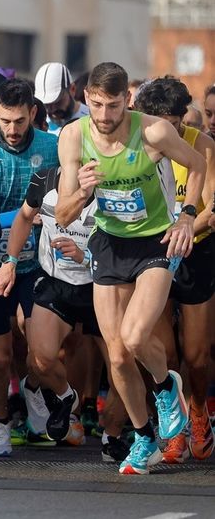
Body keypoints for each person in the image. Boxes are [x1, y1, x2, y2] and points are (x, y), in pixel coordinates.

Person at [54, 62, 206, 475]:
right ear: (86, 98)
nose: (105, 116)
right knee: (118, 356)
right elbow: (64, 214)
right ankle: (144, 439)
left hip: (157, 241)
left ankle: (165, 387)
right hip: (110, 243)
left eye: (114, 106)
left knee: (136, 336)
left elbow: (197, 165)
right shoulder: (73, 137)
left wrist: (187, 216)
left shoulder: (153, 131)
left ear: (128, 101)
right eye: (98, 105)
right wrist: (83, 192)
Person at [0, 78, 59, 456]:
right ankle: (1, 424)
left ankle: (34, 391)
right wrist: (22, 216)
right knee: (0, 354)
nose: (12, 129)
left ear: (34, 114)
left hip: (38, 263)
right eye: (5, 121)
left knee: (40, 352)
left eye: (20, 121)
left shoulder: (53, 147)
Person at [133, 76, 215, 463]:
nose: (170, 128)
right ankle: (176, 425)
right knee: (163, 354)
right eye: (160, 119)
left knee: (197, 355)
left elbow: (211, 208)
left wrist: (185, 228)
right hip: (155, 254)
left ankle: (199, 410)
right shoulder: (139, 143)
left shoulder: (203, 146)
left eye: (176, 120)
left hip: (195, 253)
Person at [0, 164, 101, 449]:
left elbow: (127, 241)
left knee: (119, 361)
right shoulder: (45, 178)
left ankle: (121, 432)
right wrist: (11, 262)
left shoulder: (109, 184)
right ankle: (67, 398)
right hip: (55, 282)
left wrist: (84, 255)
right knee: (39, 360)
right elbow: (24, 217)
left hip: (100, 283)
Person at [35, 62, 90, 133]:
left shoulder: (92, 119)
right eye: (47, 105)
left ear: (72, 89)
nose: (53, 110)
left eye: (58, 101)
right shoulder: (37, 123)